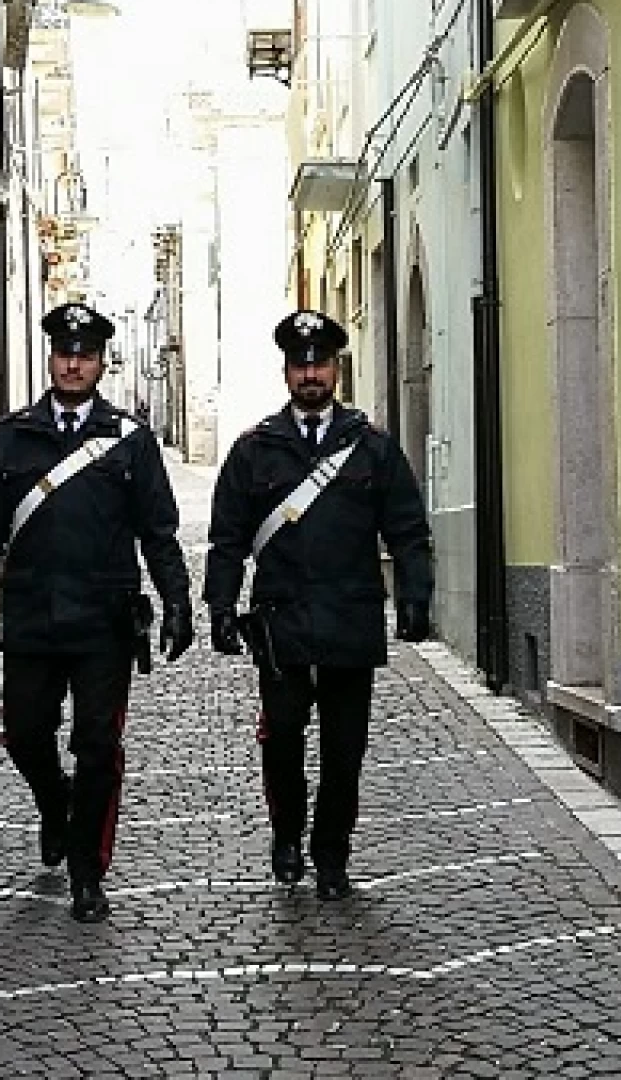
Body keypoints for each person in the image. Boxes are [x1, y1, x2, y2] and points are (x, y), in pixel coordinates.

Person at [0, 301, 195, 923]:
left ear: (101, 363)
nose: (73, 363)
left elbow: (158, 530)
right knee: (25, 734)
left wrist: (176, 603)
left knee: (98, 744)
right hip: (33, 616)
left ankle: (88, 870)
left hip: (104, 621)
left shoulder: (130, 441)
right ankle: (54, 804)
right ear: (52, 359)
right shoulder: (12, 438)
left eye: (85, 355)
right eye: (64, 353)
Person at [203, 309, 435, 901]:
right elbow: (228, 536)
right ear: (286, 371)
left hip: (350, 619)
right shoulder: (255, 451)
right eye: (301, 365)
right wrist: (222, 607)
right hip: (281, 621)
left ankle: (332, 851)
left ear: (337, 370)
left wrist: (415, 597)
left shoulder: (372, 449)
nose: (311, 374)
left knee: (344, 747)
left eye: (321, 364)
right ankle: (287, 837)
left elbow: (408, 529)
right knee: (281, 738)